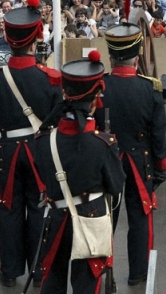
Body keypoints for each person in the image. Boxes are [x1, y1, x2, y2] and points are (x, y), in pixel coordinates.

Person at [0, 0, 62, 287]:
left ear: (9, 39)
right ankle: (37, 270)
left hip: (7, 152)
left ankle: (9, 271)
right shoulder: (51, 79)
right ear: (36, 39)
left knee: (8, 210)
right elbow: (58, 119)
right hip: (38, 152)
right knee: (38, 210)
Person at [34, 53, 125, 294]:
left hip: (55, 219)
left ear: (65, 95)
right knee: (87, 285)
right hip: (90, 218)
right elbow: (115, 187)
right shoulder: (103, 143)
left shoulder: (44, 141)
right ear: (95, 99)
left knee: (52, 282)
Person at [100, 23, 166, 287]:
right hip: (140, 161)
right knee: (139, 219)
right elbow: (158, 135)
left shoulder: (101, 86)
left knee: (105, 219)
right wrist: (162, 165)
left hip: (107, 161)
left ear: (111, 56)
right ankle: (138, 273)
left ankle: (105, 274)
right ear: (137, 56)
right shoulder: (150, 89)